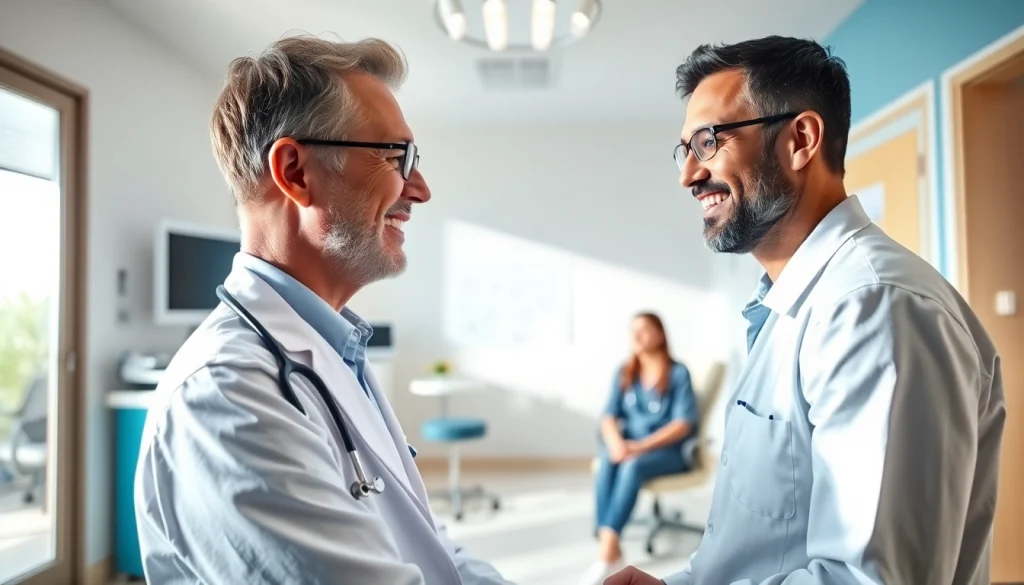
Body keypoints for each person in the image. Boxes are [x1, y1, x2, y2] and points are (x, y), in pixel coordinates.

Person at [608, 36, 1005, 585]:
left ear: (800, 139)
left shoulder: (874, 308)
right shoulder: (786, 306)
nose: (688, 176)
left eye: (707, 142)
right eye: (686, 150)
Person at [133, 35, 514, 585]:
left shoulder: (335, 353)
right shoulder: (227, 394)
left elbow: (428, 549)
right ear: (295, 171)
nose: (421, 189)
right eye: (395, 156)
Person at [579, 312, 698, 585]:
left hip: (668, 452)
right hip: (630, 447)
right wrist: (617, 443)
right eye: (633, 330)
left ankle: (607, 550)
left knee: (631, 466)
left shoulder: (678, 373)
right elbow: (608, 416)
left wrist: (640, 446)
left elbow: (683, 424)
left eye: (644, 330)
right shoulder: (625, 372)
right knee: (609, 456)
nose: (636, 336)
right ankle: (609, 548)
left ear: (660, 334)